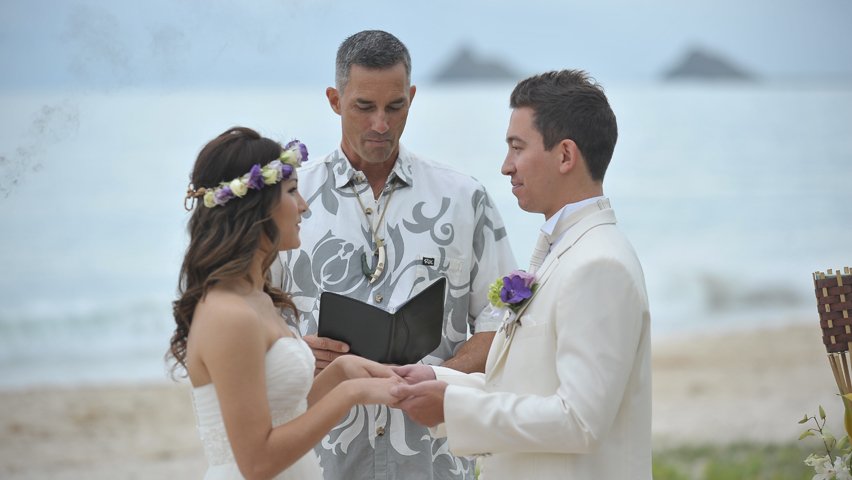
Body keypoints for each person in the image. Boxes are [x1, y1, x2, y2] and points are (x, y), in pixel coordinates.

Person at [271, 30, 517, 479]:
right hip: (321, 461)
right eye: (364, 107)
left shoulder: (465, 199)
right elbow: (248, 322)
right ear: (334, 99)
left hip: (435, 462)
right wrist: (296, 352)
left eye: (395, 106)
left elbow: (502, 319)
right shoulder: (287, 201)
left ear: (413, 97)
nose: (380, 124)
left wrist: (443, 377)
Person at [391, 70, 653, 479]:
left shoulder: (599, 265)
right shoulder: (564, 251)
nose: (505, 166)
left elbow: (580, 421)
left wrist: (453, 407)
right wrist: (438, 380)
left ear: (565, 156)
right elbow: (527, 390)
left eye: (517, 147)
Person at [169, 127, 401, 480]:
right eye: (292, 192)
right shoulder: (228, 314)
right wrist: (350, 394)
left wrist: (341, 373)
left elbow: (282, 413)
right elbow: (257, 463)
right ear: (255, 208)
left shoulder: (257, 297)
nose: (304, 206)